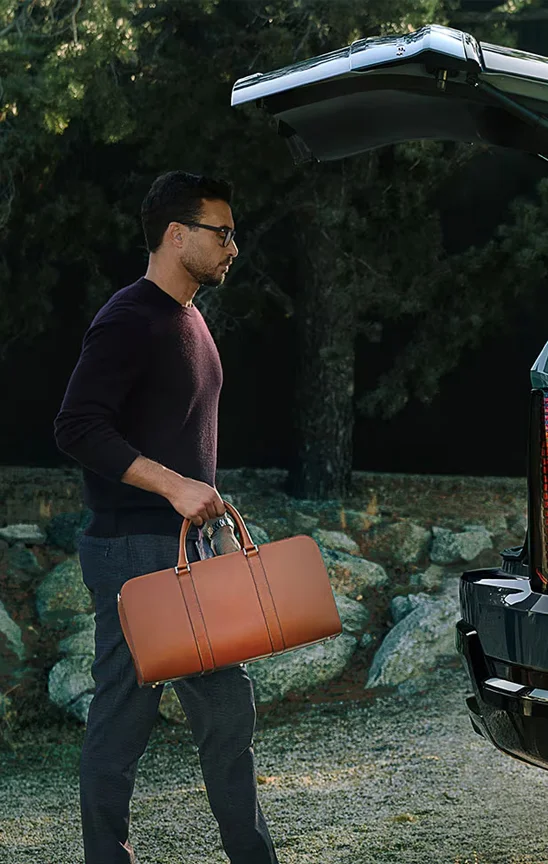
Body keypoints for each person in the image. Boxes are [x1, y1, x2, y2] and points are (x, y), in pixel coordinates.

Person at [53, 170, 278, 864]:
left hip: (181, 550)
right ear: (176, 234)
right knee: (127, 718)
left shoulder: (192, 322)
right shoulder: (129, 316)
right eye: (222, 231)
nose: (233, 247)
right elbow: (77, 427)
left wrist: (199, 497)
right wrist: (175, 486)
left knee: (223, 709)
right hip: (133, 551)